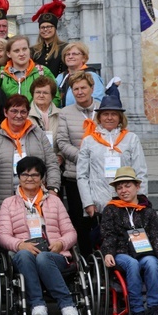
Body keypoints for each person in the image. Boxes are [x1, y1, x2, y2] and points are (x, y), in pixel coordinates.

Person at [0, 156, 81, 315]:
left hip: (53, 254)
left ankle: (67, 306)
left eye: (35, 175)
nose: (30, 178)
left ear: (42, 178)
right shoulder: (8, 203)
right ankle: (37, 305)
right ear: (19, 177)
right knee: (24, 255)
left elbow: (71, 232)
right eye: (25, 174)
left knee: (43, 257)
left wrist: (61, 243)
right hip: (23, 255)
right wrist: (19, 244)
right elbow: (3, 235)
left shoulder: (55, 202)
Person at [100, 166, 158, 315]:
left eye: (127, 186)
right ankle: (137, 310)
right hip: (121, 252)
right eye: (119, 187)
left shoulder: (148, 211)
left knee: (152, 263)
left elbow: (155, 236)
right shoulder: (111, 209)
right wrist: (108, 253)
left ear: (137, 187)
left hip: (144, 250)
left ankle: (154, 309)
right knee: (132, 264)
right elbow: (108, 234)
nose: (123, 190)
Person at [77, 85, 148, 219]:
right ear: (99, 117)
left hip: (127, 201)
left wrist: (141, 199)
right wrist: (88, 202)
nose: (109, 118)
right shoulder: (89, 141)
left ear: (120, 117)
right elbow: (82, 175)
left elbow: (140, 172)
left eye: (114, 114)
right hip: (99, 202)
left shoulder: (131, 139)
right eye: (105, 114)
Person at [0, 95, 61, 222]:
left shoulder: (39, 135)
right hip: (6, 200)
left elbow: (52, 163)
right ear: (5, 112)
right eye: (14, 111)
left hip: (38, 197)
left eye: (23, 111)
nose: (18, 115)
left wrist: (53, 188)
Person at [55, 71, 100, 256]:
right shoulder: (65, 113)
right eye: (76, 89)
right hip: (74, 175)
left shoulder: (103, 110)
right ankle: (86, 257)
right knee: (78, 220)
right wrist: (84, 157)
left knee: (99, 218)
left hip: (100, 176)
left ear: (92, 89)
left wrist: (95, 158)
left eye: (83, 88)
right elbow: (62, 143)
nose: (80, 92)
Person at [0, 35, 59, 105]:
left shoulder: (43, 72)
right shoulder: (1, 75)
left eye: (24, 49)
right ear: (9, 54)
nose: (22, 54)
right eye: (16, 51)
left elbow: (55, 97)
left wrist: (43, 113)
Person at [55, 42, 105, 107]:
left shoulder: (91, 76)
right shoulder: (61, 77)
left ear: (84, 58)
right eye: (67, 54)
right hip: (63, 115)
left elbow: (98, 101)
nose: (70, 57)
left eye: (74, 54)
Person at [30, 0, 68, 77]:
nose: (46, 30)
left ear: (55, 28)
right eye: (42, 27)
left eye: (49, 27)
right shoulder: (33, 50)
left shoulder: (65, 47)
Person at [28, 76, 61, 145]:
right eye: (38, 92)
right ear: (32, 94)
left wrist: (60, 155)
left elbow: (66, 140)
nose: (41, 95)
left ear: (52, 96)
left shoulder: (61, 115)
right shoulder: (25, 115)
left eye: (45, 93)